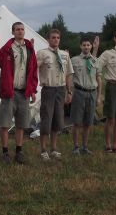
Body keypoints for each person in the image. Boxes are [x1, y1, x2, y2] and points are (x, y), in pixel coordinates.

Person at [0, 22, 38, 165]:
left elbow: (33, 70)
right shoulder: (8, 48)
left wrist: (33, 89)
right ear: (13, 32)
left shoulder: (29, 49)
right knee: (5, 124)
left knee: (21, 124)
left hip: (24, 93)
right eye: (17, 29)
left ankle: (19, 151)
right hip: (10, 92)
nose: (20, 31)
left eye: (22, 29)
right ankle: (5, 152)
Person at [36, 29, 74, 161]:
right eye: (53, 37)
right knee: (46, 119)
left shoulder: (64, 55)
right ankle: (43, 150)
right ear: (48, 39)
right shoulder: (42, 53)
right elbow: (33, 68)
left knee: (58, 120)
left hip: (61, 89)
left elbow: (68, 73)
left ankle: (53, 148)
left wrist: (69, 91)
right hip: (48, 89)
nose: (56, 40)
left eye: (58, 37)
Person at [70, 36, 101, 155]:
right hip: (79, 92)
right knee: (77, 122)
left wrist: (99, 96)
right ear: (80, 46)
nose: (86, 47)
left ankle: (85, 146)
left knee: (88, 122)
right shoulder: (74, 60)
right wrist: (69, 92)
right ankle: (76, 147)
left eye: (88, 45)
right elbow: (70, 77)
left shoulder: (95, 60)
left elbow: (98, 78)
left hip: (92, 92)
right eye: (84, 45)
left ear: (91, 46)